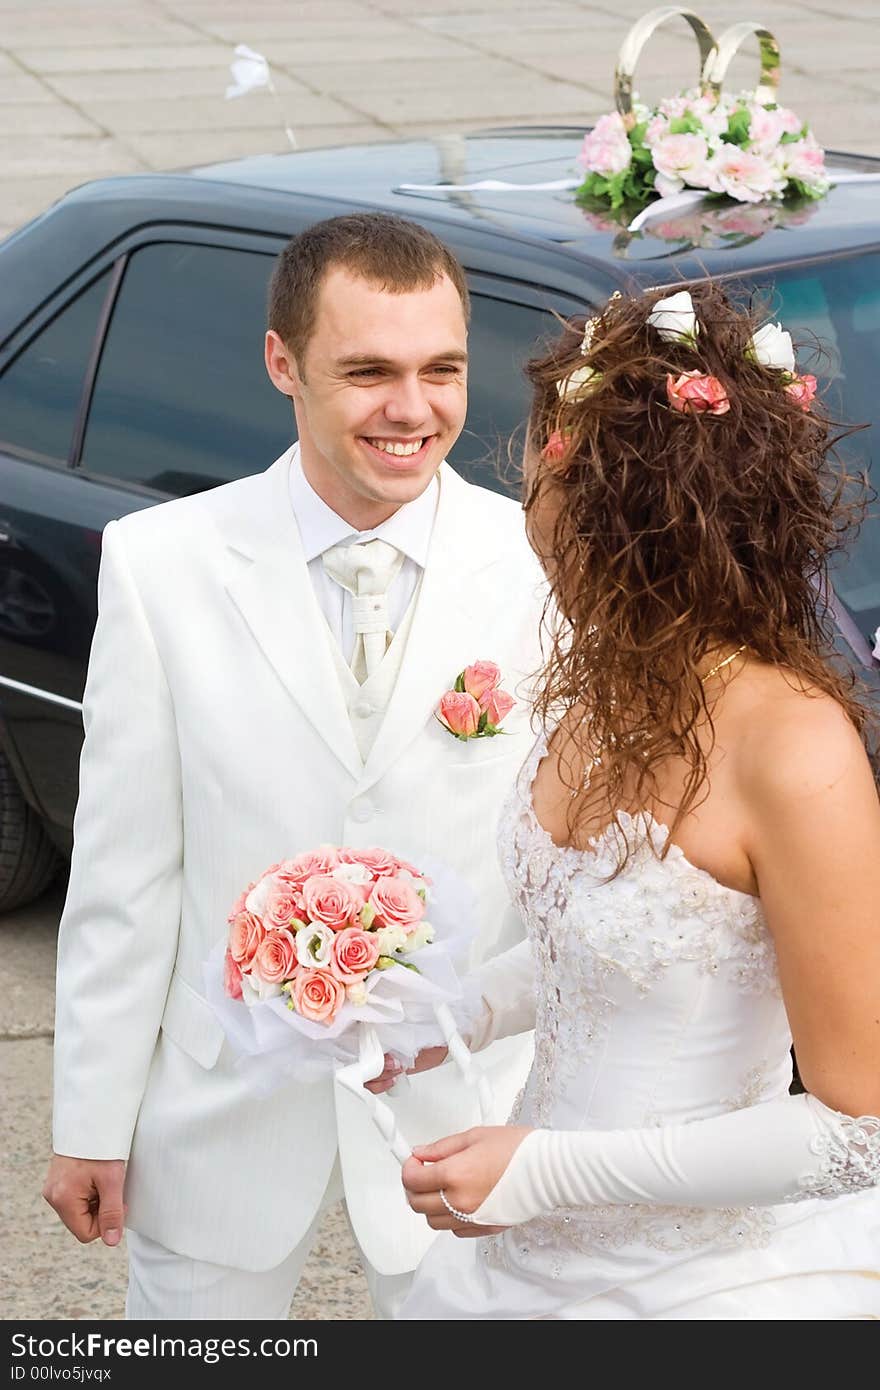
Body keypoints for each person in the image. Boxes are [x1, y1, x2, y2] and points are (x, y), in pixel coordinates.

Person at [42, 212, 546, 1320]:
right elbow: (127, 878)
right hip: (217, 1112)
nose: (410, 410)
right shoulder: (161, 565)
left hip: (461, 1108)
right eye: (366, 371)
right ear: (283, 363)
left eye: (440, 370)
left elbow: (563, 869)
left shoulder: (538, 565)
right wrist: (90, 1119)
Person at [399, 282, 880, 1319]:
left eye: (540, 470)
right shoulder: (604, 682)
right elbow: (618, 940)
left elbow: (856, 1128)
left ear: (619, 513)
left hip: (702, 1286)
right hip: (517, 1261)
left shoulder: (795, 749)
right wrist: (462, 1012)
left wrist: (546, 1171)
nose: (525, 505)